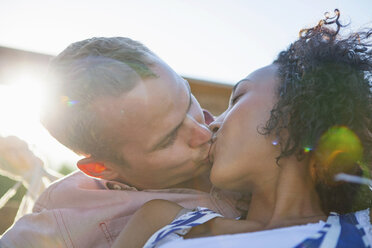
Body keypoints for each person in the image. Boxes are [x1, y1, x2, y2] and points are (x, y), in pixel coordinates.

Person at [111, 10, 372, 248]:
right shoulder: (162, 222)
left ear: (301, 105)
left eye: (236, 98)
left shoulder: (363, 229)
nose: (212, 123)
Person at [0, 38, 243, 247]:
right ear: (102, 169)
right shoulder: (62, 226)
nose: (202, 132)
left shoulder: (241, 130)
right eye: (168, 139)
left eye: (189, 100)